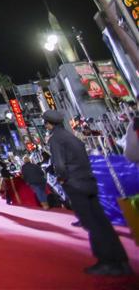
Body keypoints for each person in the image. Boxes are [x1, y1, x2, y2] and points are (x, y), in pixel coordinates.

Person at [43, 110, 132, 277]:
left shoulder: (56, 139)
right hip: (88, 181)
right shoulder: (72, 137)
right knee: (102, 221)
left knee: (91, 223)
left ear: (48, 124)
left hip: (75, 184)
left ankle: (107, 262)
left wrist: (62, 180)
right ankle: (121, 260)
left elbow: (60, 165)